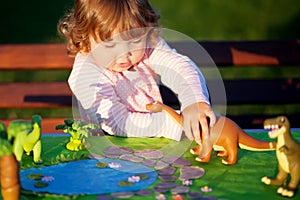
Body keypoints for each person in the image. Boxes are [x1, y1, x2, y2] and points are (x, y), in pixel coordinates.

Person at [58, 0, 216, 145]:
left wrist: (193, 101)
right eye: (110, 45)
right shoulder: (86, 72)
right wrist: (175, 124)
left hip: (153, 146)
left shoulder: (148, 47)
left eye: (134, 42)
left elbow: (178, 66)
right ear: (85, 37)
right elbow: (115, 121)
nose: (124, 54)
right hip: (106, 152)